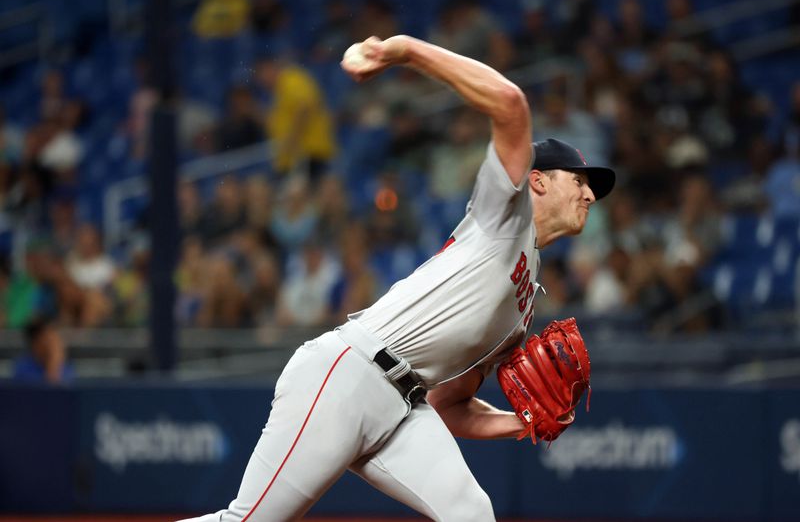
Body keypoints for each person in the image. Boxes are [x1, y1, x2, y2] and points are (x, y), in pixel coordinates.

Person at [179, 34, 615, 522]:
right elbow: (510, 103)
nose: (590, 195)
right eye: (579, 181)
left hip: (407, 408)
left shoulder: (526, 300)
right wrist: (403, 49)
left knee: (472, 514)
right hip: (350, 373)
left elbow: (449, 405)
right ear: (538, 179)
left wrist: (523, 421)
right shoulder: (505, 215)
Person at [13, 316, 74, 384]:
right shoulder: (23, 368)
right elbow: (47, 392)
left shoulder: (65, 367)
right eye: (48, 339)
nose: (55, 344)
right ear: (35, 343)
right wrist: (52, 367)